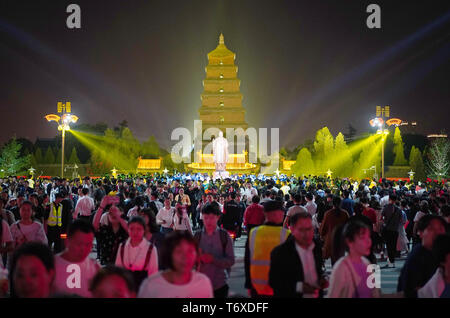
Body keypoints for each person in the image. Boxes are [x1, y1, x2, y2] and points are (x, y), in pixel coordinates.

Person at [138, 231, 213, 298]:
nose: (185, 257)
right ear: (169, 254)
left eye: (190, 251)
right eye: (179, 251)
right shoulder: (151, 286)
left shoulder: (203, 283)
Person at [269, 212, 328, 298]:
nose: (306, 234)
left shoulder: (316, 246)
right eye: (301, 229)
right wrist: (299, 287)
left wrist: (322, 279)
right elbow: (274, 281)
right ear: (292, 229)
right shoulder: (281, 252)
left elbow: (318, 268)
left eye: (309, 229)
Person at [245, 200, 290, 297]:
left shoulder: (254, 233)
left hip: (257, 286)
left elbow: (247, 260)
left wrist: (248, 284)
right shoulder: (287, 235)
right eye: (282, 212)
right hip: (280, 286)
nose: (283, 214)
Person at [327, 221, 381, 298]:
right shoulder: (341, 267)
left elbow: (374, 292)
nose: (368, 241)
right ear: (349, 242)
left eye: (368, 237)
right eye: (362, 238)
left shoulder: (366, 263)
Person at [397, 214, 447, 298]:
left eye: (440, 229)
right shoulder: (417, 256)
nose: (437, 232)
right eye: (431, 229)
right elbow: (410, 289)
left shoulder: (444, 252)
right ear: (420, 232)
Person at [194, 202, 235, 298]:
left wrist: (213, 259)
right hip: (200, 283)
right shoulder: (197, 236)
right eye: (205, 218)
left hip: (220, 284)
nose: (208, 221)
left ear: (217, 217)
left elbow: (231, 260)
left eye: (211, 218)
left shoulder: (224, 236)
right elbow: (190, 259)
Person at [52, 219, 100, 297]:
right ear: (67, 241)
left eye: (88, 245)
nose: (83, 249)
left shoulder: (94, 267)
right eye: (79, 244)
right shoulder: (52, 265)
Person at [115, 216, 158, 288]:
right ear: (128, 229)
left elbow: (153, 274)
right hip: (125, 286)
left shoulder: (150, 249)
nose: (135, 232)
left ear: (144, 230)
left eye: (139, 229)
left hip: (143, 287)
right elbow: (118, 269)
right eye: (131, 229)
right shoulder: (122, 246)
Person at [92, 196, 129, 265]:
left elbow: (130, 232)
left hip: (123, 266)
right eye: (110, 213)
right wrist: (101, 207)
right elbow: (95, 226)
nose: (113, 214)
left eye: (116, 212)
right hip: (108, 266)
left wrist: (118, 217)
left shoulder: (124, 229)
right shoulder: (105, 230)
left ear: (122, 213)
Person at [319, 196, 349, 264]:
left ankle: (335, 272)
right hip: (342, 238)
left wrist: (321, 235)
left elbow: (323, 227)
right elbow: (348, 227)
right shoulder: (344, 213)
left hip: (331, 238)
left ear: (332, 203)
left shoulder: (328, 214)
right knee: (341, 257)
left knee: (333, 258)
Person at [381, 194, 402, 268]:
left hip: (388, 229)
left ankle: (390, 261)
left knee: (389, 245)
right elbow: (401, 220)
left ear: (389, 199)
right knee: (393, 245)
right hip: (395, 230)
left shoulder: (386, 207)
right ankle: (392, 261)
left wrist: (384, 222)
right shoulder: (399, 209)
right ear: (396, 200)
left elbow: (381, 217)